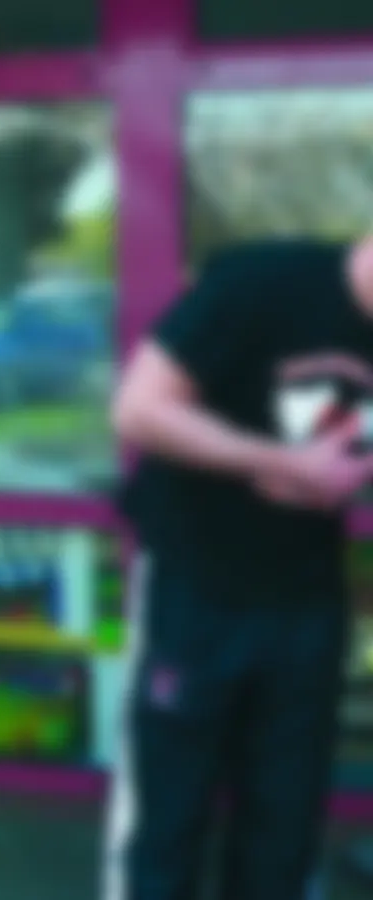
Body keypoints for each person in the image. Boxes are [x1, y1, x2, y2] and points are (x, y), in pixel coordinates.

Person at [107, 236, 373, 900]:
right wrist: (281, 464)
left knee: (281, 834)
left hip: (309, 599)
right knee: (171, 822)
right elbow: (140, 408)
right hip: (199, 589)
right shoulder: (262, 281)